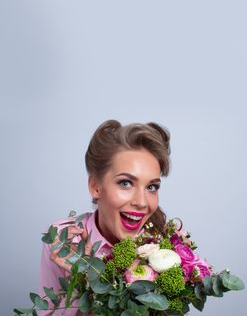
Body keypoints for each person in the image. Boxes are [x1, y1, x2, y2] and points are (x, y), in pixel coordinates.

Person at [39, 119, 171, 315]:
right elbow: (47, 312)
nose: (142, 202)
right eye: (126, 183)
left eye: (152, 187)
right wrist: (81, 282)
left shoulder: (168, 244)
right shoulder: (65, 240)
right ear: (95, 186)